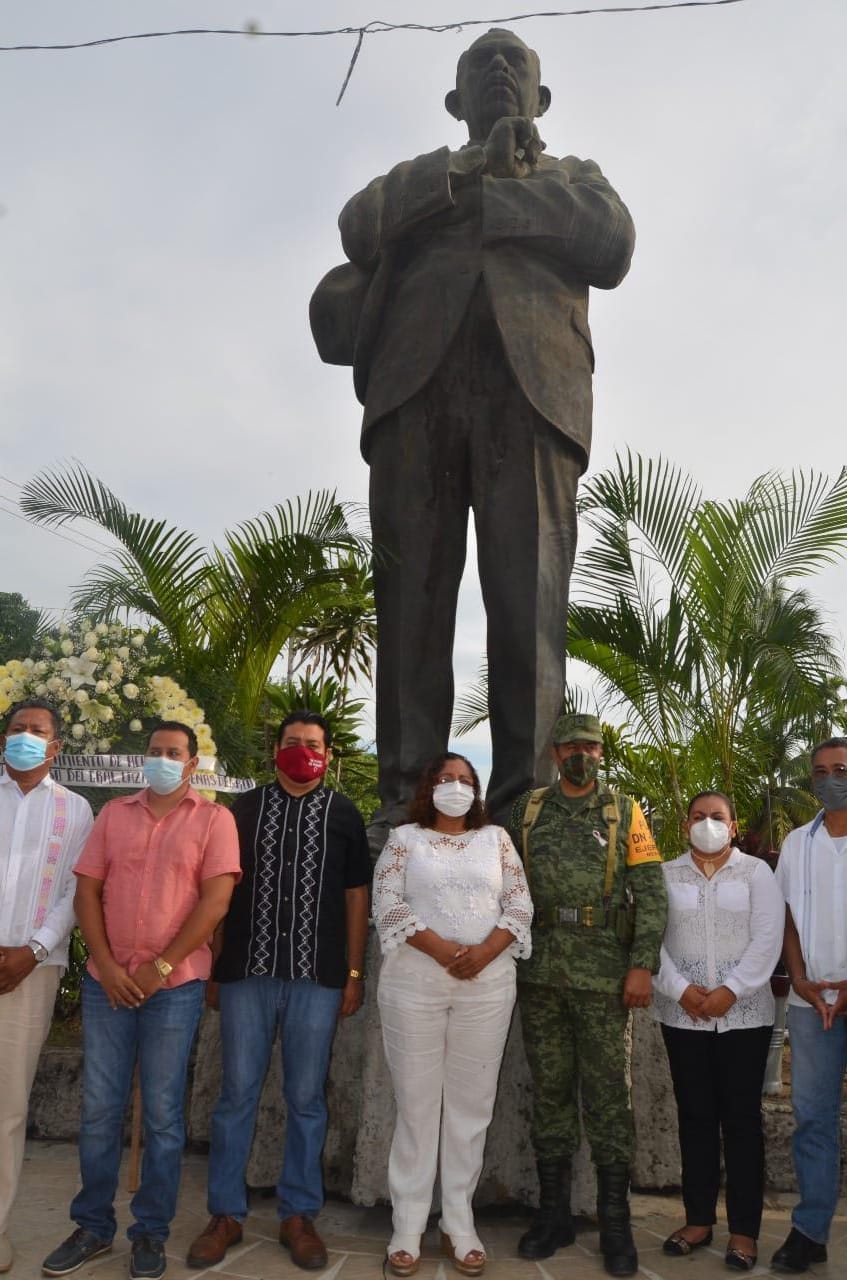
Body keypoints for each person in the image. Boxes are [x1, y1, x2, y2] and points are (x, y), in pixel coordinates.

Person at [311, 28, 635, 839]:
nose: (497, 72)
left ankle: (525, 807)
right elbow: (358, 227)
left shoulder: (576, 180)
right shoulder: (420, 178)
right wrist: (465, 169)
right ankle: (407, 798)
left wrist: (497, 189)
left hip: (531, 396)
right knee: (411, 601)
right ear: (456, 102)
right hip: (414, 392)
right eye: (479, 68)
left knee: (528, 604)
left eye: (514, 67)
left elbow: (611, 244)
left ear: (540, 100)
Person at [42, 721, 240, 1280]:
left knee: (162, 1116)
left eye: (173, 753)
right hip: (108, 984)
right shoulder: (114, 815)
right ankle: (92, 1226)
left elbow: (215, 901)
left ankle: (149, 1232)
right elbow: (87, 890)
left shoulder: (214, 819)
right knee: (100, 1110)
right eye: (154, 752)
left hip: (173, 990)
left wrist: (159, 967)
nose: (162, 760)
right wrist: (104, 964)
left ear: (193, 762)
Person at [187, 711, 370, 1273]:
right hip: (247, 973)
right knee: (236, 1094)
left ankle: (298, 1214)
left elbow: (356, 897)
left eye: (312, 745)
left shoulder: (343, 814)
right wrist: (217, 967)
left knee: (307, 1100)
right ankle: (225, 1213)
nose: (302, 752)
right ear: (276, 751)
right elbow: (218, 887)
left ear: (329, 753)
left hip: (317, 979)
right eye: (293, 743)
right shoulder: (243, 810)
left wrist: (355, 974)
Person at [509, 712, 666, 1275]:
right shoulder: (527, 811)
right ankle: (553, 1215)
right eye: (572, 746)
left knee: (607, 1098)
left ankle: (615, 1221)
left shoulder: (626, 811)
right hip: (541, 974)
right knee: (550, 1091)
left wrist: (642, 965)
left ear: (603, 754)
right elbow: (502, 887)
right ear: (555, 753)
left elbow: (650, 894)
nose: (583, 754)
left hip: (604, 977)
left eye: (592, 747)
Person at [371, 752, 533, 1277]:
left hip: (486, 988)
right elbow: (387, 900)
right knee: (417, 1106)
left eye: (465, 780)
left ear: (477, 791)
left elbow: (520, 905)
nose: (456, 787)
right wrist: (440, 949)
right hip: (413, 985)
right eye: (446, 779)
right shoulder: (404, 840)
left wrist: (485, 952)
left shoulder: (497, 841)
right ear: (429, 788)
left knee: (470, 1108)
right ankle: (409, 1222)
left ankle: (459, 1220)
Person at [653, 791, 784, 1271]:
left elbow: (768, 937)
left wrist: (731, 990)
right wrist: (683, 991)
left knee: (743, 1123)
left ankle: (745, 1231)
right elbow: (651, 941)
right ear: (685, 823)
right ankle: (698, 1220)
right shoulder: (665, 875)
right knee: (696, 1118)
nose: (707, 823)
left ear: (733, 826)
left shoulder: (756, 873)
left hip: (745, 1016)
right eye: (698, 816)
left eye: (717, 817)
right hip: (682, 1015)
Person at [0, 699, 93, 1275]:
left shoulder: (76, 810)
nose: (26, 738)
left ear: (56, 747)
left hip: (30, 971)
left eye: (38, 732)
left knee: (7, 1107)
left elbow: (75, 895)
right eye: (17, 729)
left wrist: (32, 951)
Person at [769, 736, 847, 1273]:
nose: (829, 779)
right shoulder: (798, 842)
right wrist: (797, 978)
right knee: (812, 1118)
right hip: (812, 1001)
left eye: (840, 769)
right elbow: (787, 918)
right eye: (819, 771)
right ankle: (809, 1232)